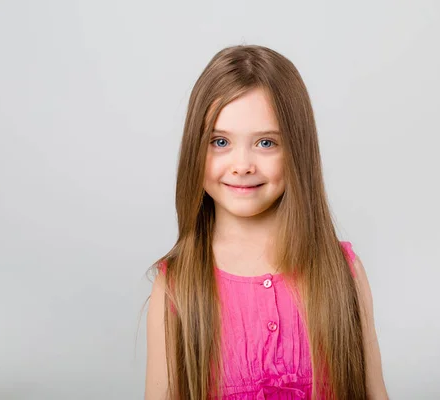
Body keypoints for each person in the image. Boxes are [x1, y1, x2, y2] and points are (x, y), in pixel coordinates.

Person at [144, 44, 388, 399]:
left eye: (266, 142)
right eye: (220, 141)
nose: (242, 165)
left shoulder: (342, 273)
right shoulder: (176, 286)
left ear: (297, 150)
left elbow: (374, 392)